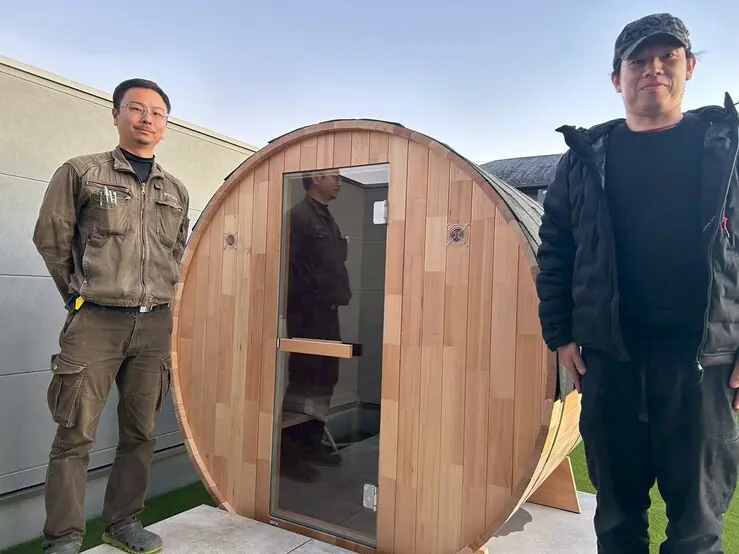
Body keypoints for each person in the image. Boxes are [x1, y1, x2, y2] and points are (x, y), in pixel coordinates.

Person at [536, 12, 739, 554]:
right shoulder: (583, 161)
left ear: (689, 67)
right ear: (616, 78)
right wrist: (560, 334)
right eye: (638, 60)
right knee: (617, 516)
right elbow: (556, 252)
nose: (654, 69)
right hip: (611, 362)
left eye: (667, 56)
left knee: (697, 525)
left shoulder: (728, 151)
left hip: (701, 364)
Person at [32, 78, 190, 554]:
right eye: (136, 108)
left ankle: (123, 522)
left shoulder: (175, 190)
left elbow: (176, 254)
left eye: (157, 113)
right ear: (116, 113)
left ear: (165, 124)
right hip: (96, 323)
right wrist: (79, 296)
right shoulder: (81, 173)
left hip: (155, 325)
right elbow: (51, 239)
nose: (147, 119)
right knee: (74, 434)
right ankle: (63, 538)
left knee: (141, 432)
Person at [279, 170, 351, 482]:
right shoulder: (298, 217)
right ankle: (289, 457)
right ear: (316, 178)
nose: (339, 181)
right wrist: (300, 309)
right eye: (334, 176)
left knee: (325, 379)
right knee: (305, 381)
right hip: (307, 315)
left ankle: (310, 444)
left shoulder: (325, 217)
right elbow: (288, 268)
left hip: (328, 313)